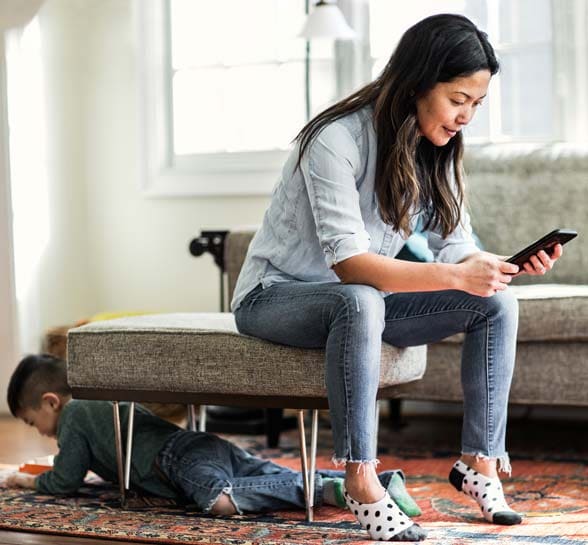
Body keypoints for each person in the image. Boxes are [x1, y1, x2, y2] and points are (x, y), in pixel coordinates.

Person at [231, 13, 563, 542]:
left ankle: (479, 464)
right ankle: (360, 479)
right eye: (458, 100)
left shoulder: (440, 151)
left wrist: (497, 268)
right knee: (359, 298)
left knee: (497, 303)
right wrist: (455, 276)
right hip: (274, 296)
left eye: (476, 104)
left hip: (365, 303)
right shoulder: (335, 139)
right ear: (416, 82)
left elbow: (457, 245)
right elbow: (349, 265)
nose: (466, 117)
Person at [5, 354, 420, 518]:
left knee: (221, 501)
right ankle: (370, 485)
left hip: (176, 463)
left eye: (30, 422)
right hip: (199, 445)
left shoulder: (74, 417)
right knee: (264, 473)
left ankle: (339, 491)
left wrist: (29, 480)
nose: (37, 432)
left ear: (51, 402)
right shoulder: (104, 403)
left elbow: (66, 477)